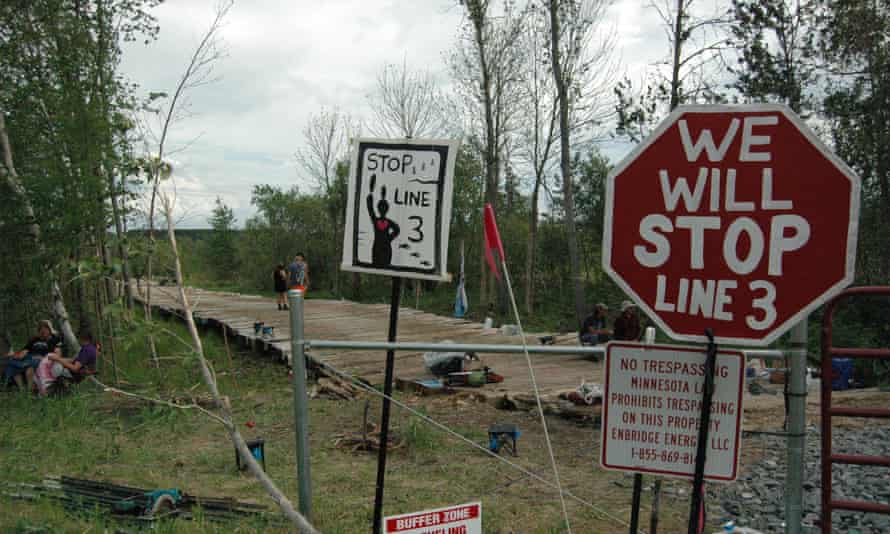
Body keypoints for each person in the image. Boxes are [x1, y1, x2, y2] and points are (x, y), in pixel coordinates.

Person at [35, 329, 97, 396]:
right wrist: (58, 359)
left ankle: (47, 390)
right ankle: (48, 389)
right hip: (76, 372)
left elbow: (75, 368)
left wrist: (58, 359)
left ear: (82, 338)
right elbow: (74, 360)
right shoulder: (90, 348)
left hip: (76, 374)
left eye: (78, 338)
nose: (77, 340)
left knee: (54, 368)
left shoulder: (86, 350)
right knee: (52, 365)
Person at [3, 319, 61, 390]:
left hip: (42, 359)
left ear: (50, 329)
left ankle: (29, 391)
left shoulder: (54, 339)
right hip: (29, 358)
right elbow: (25, 351)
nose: (43, 331)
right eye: (41, 329)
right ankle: (22, 389)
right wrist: (15, 355)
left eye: (45, 329)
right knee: (12, 364)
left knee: (29, 369)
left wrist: (44, 357)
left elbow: (58, 354)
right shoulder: (34, 339)